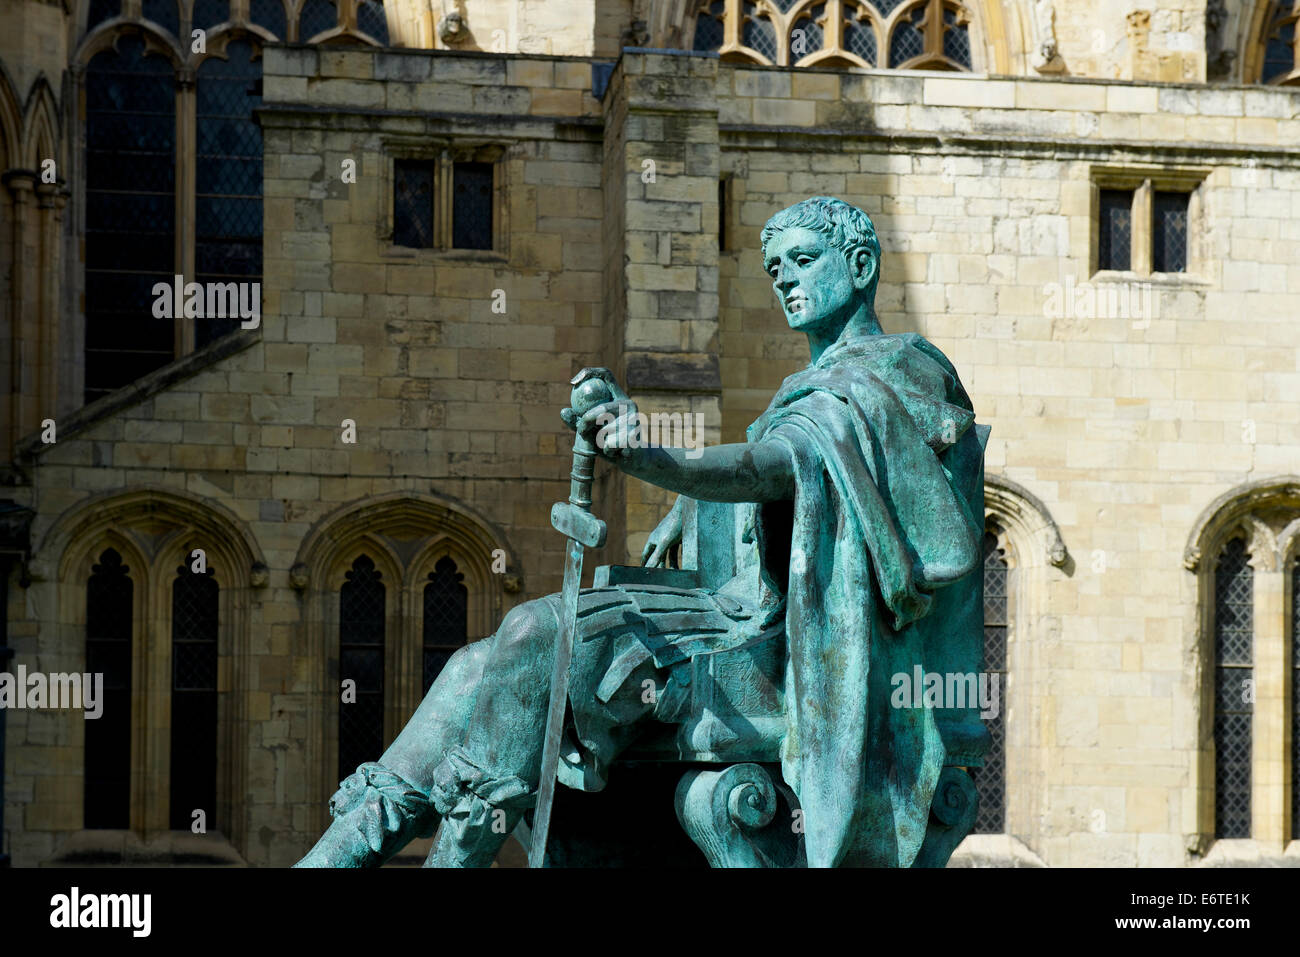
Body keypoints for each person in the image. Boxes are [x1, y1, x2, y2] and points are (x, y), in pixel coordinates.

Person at [296, 196, 986, 868]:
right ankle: (336, 856)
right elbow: (777, 479)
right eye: (777, 270)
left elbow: (789, 464)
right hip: (735, 618)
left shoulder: (901, 373)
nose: (787, 283)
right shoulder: (807, 389)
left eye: (804, 261)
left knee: (536, 635)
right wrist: (700, 509)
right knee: (473, 665)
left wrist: (661, 462)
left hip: (796, 645)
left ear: (861, 265)